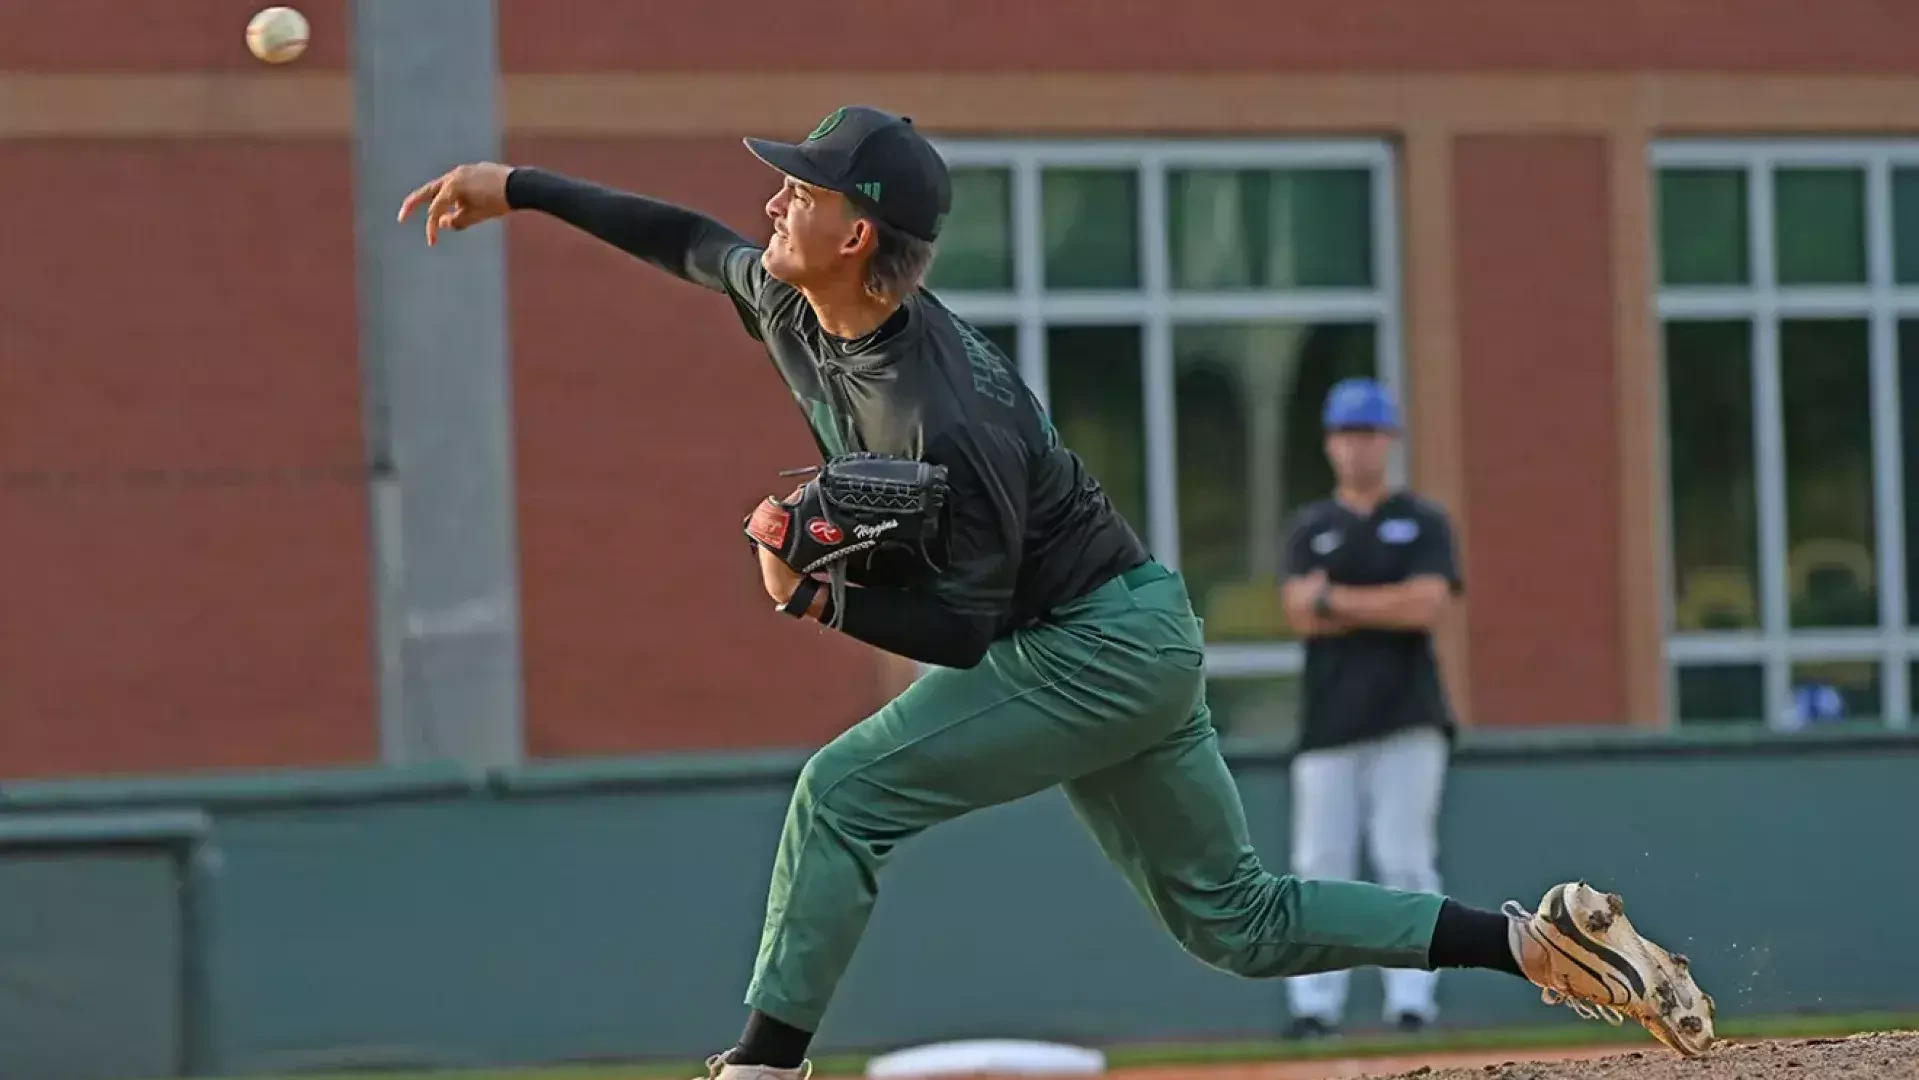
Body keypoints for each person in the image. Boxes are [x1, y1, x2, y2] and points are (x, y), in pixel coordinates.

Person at [396, 104, 1718, 1076]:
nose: (770, 205)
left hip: (1081, 646)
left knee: (841, 796)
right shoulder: (807, 308)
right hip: (1133, 627)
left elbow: (963, 632)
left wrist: (814, 597)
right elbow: (685, 241)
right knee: (1236, 922)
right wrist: (513, 184)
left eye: (798, 193)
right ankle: (1536, 947)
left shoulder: (940, 410)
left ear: (856, 235)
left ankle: (761, 1064)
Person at [1278, 377, 1462, 1038]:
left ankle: (1412, 1000)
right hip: (1327, 722)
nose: (1358, 447)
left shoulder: (1423, 520)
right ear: (1330, 444)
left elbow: (1426, 605)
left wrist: (1338, 602)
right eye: (1347, 434)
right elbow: (1298, 612)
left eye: (1369, 433)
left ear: (1389, 440)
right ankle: (1312, 1007)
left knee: (1403, 858)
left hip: (1408, 716)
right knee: (1319, 863)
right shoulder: (1310, 527)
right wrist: (1374, 605)